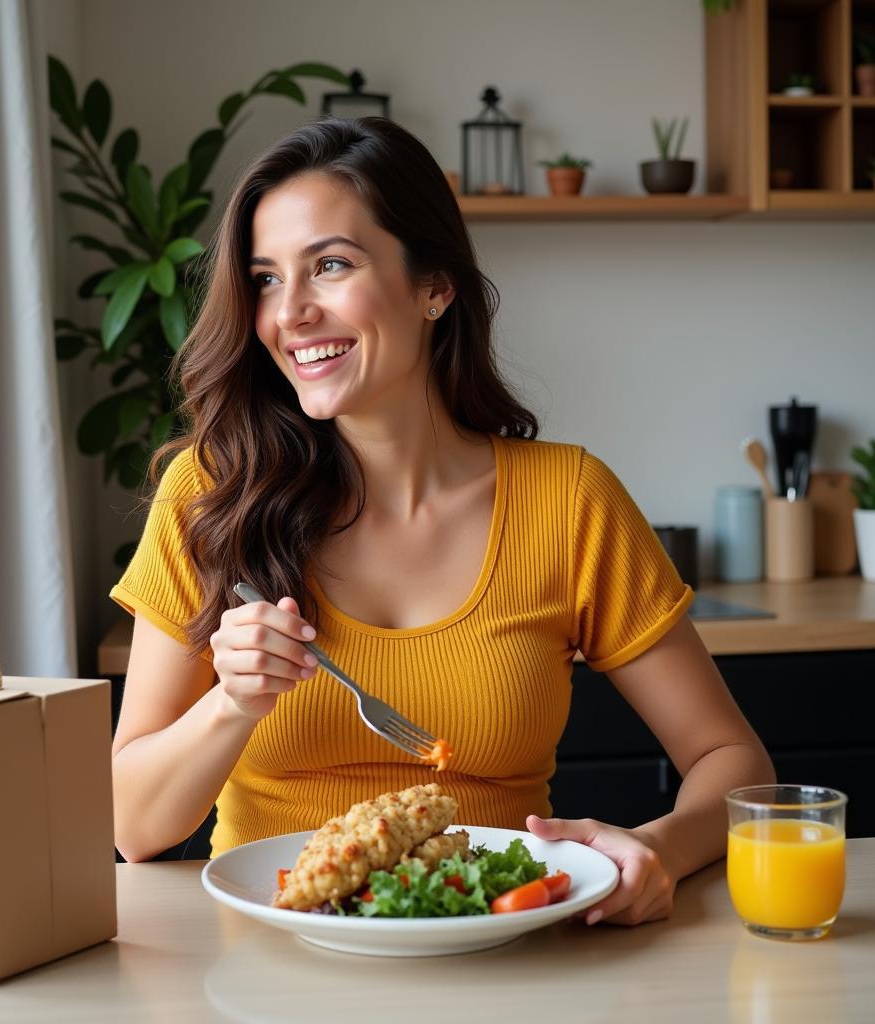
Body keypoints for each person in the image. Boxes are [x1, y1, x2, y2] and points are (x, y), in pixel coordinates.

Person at [109, 116, 774, 926]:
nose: (291, 313)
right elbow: (134, 830)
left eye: (330, 265)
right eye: (267, 279)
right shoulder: (211, 495)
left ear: (435, 286)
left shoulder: (569, 500)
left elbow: (734, 763)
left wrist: (659, 848)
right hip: (265, 965)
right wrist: (230, 704)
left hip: (502, 948)